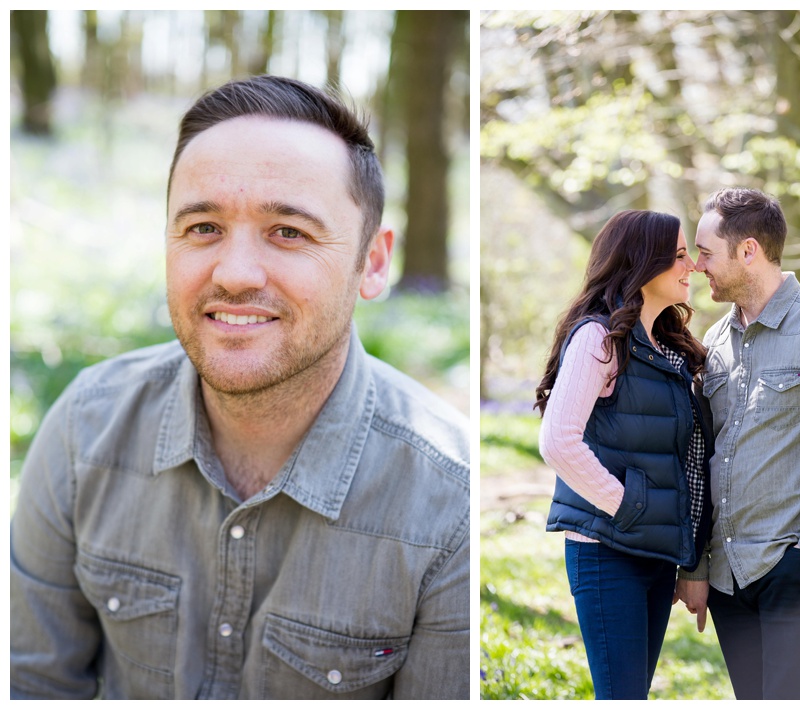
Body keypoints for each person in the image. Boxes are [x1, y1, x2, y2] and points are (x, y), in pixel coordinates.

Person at [10, 75, 470, 700]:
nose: (235, 274)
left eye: (289, 232)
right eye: (203, 227)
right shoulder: (82, 433)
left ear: (373, 263)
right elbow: (30, 685)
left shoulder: (450, 503)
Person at [675, 187, 800, 700]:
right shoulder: (717, 341)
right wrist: (699, 567)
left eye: (705, 252)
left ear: (748, 251)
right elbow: (703, 458)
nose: (698, 266)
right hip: (729, 579)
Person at [535, 210, 712, 700]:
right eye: (678, 255)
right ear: (641, 262)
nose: (692, 266)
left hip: (653, 552)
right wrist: (627, 504)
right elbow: (558, 440)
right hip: (606, 551)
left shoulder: (671, 349)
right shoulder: (600, 340)